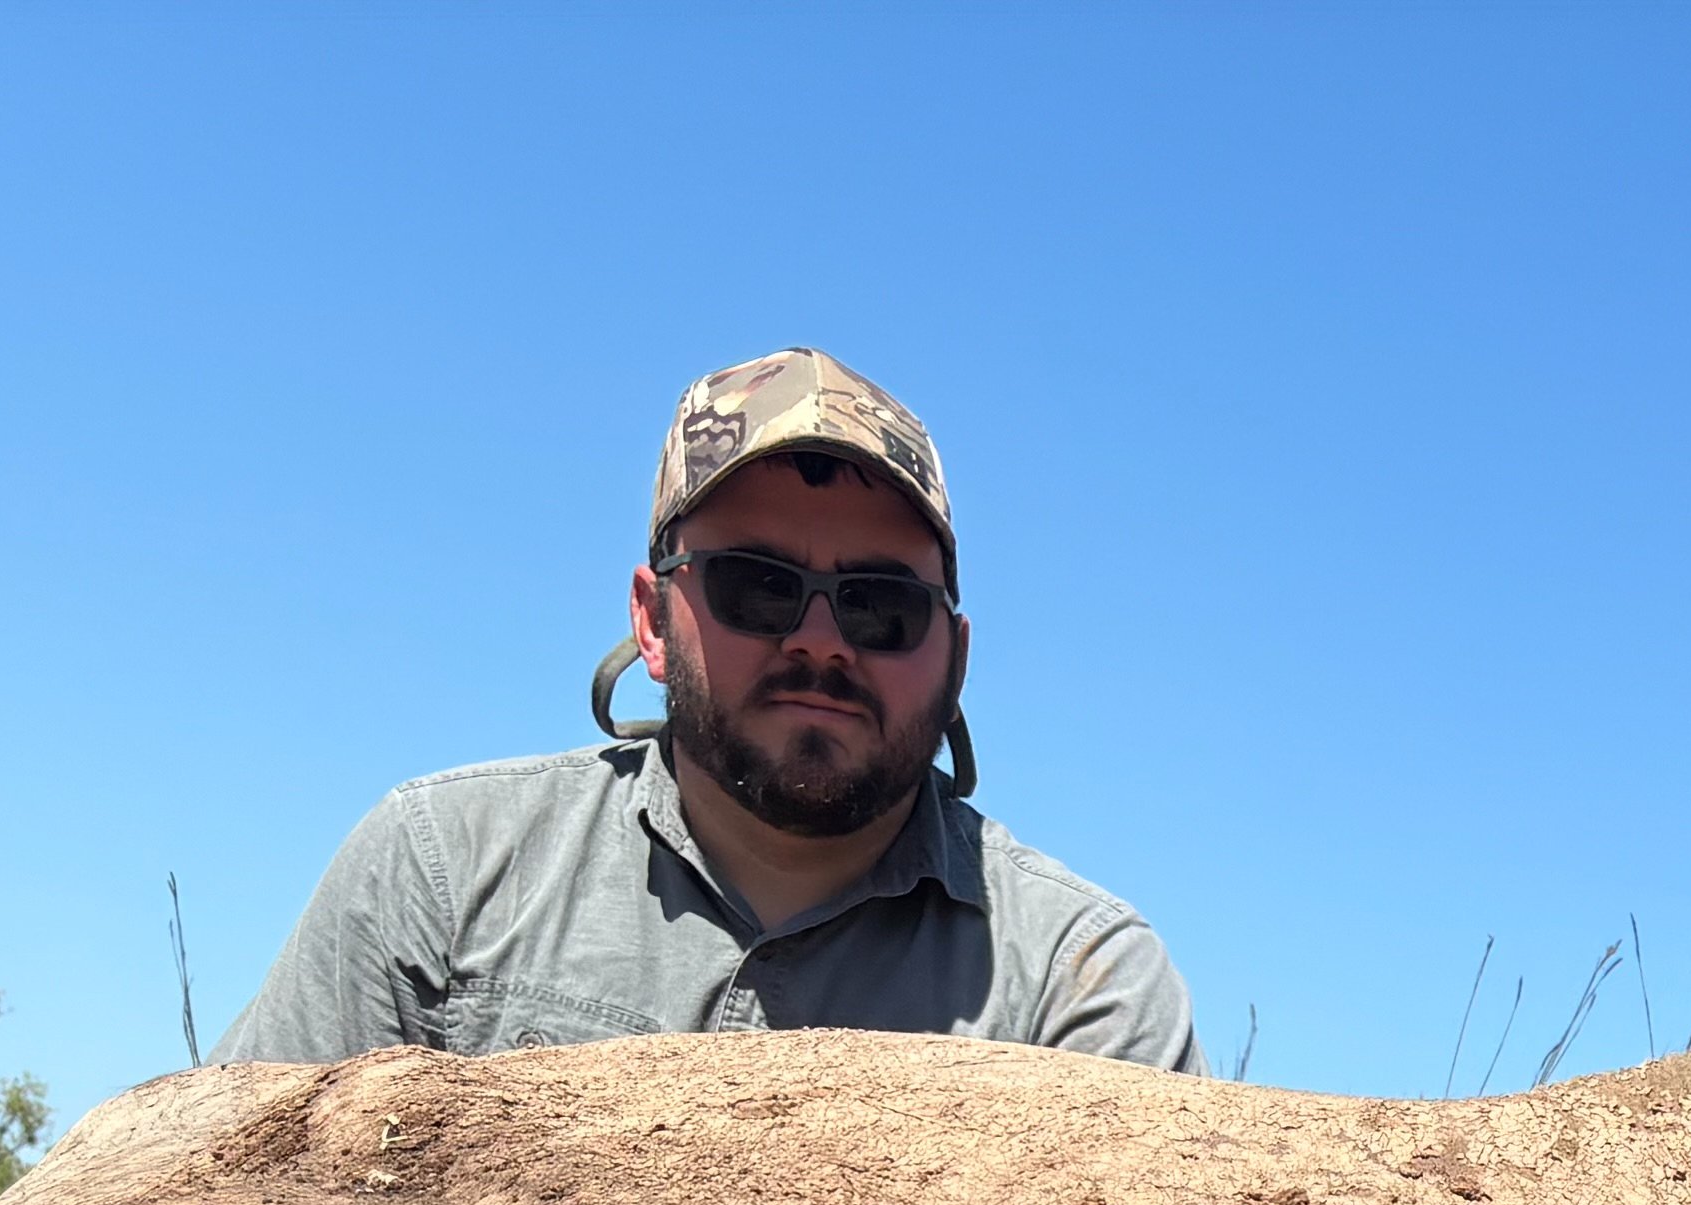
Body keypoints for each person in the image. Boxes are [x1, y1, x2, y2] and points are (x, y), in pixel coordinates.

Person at [224, 350, 1199, 1071]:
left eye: (880, 605)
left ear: (955, 655)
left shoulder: (1084, 989)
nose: (821, 640)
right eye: (757, 587)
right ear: (652, 620)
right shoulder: (435, 873)